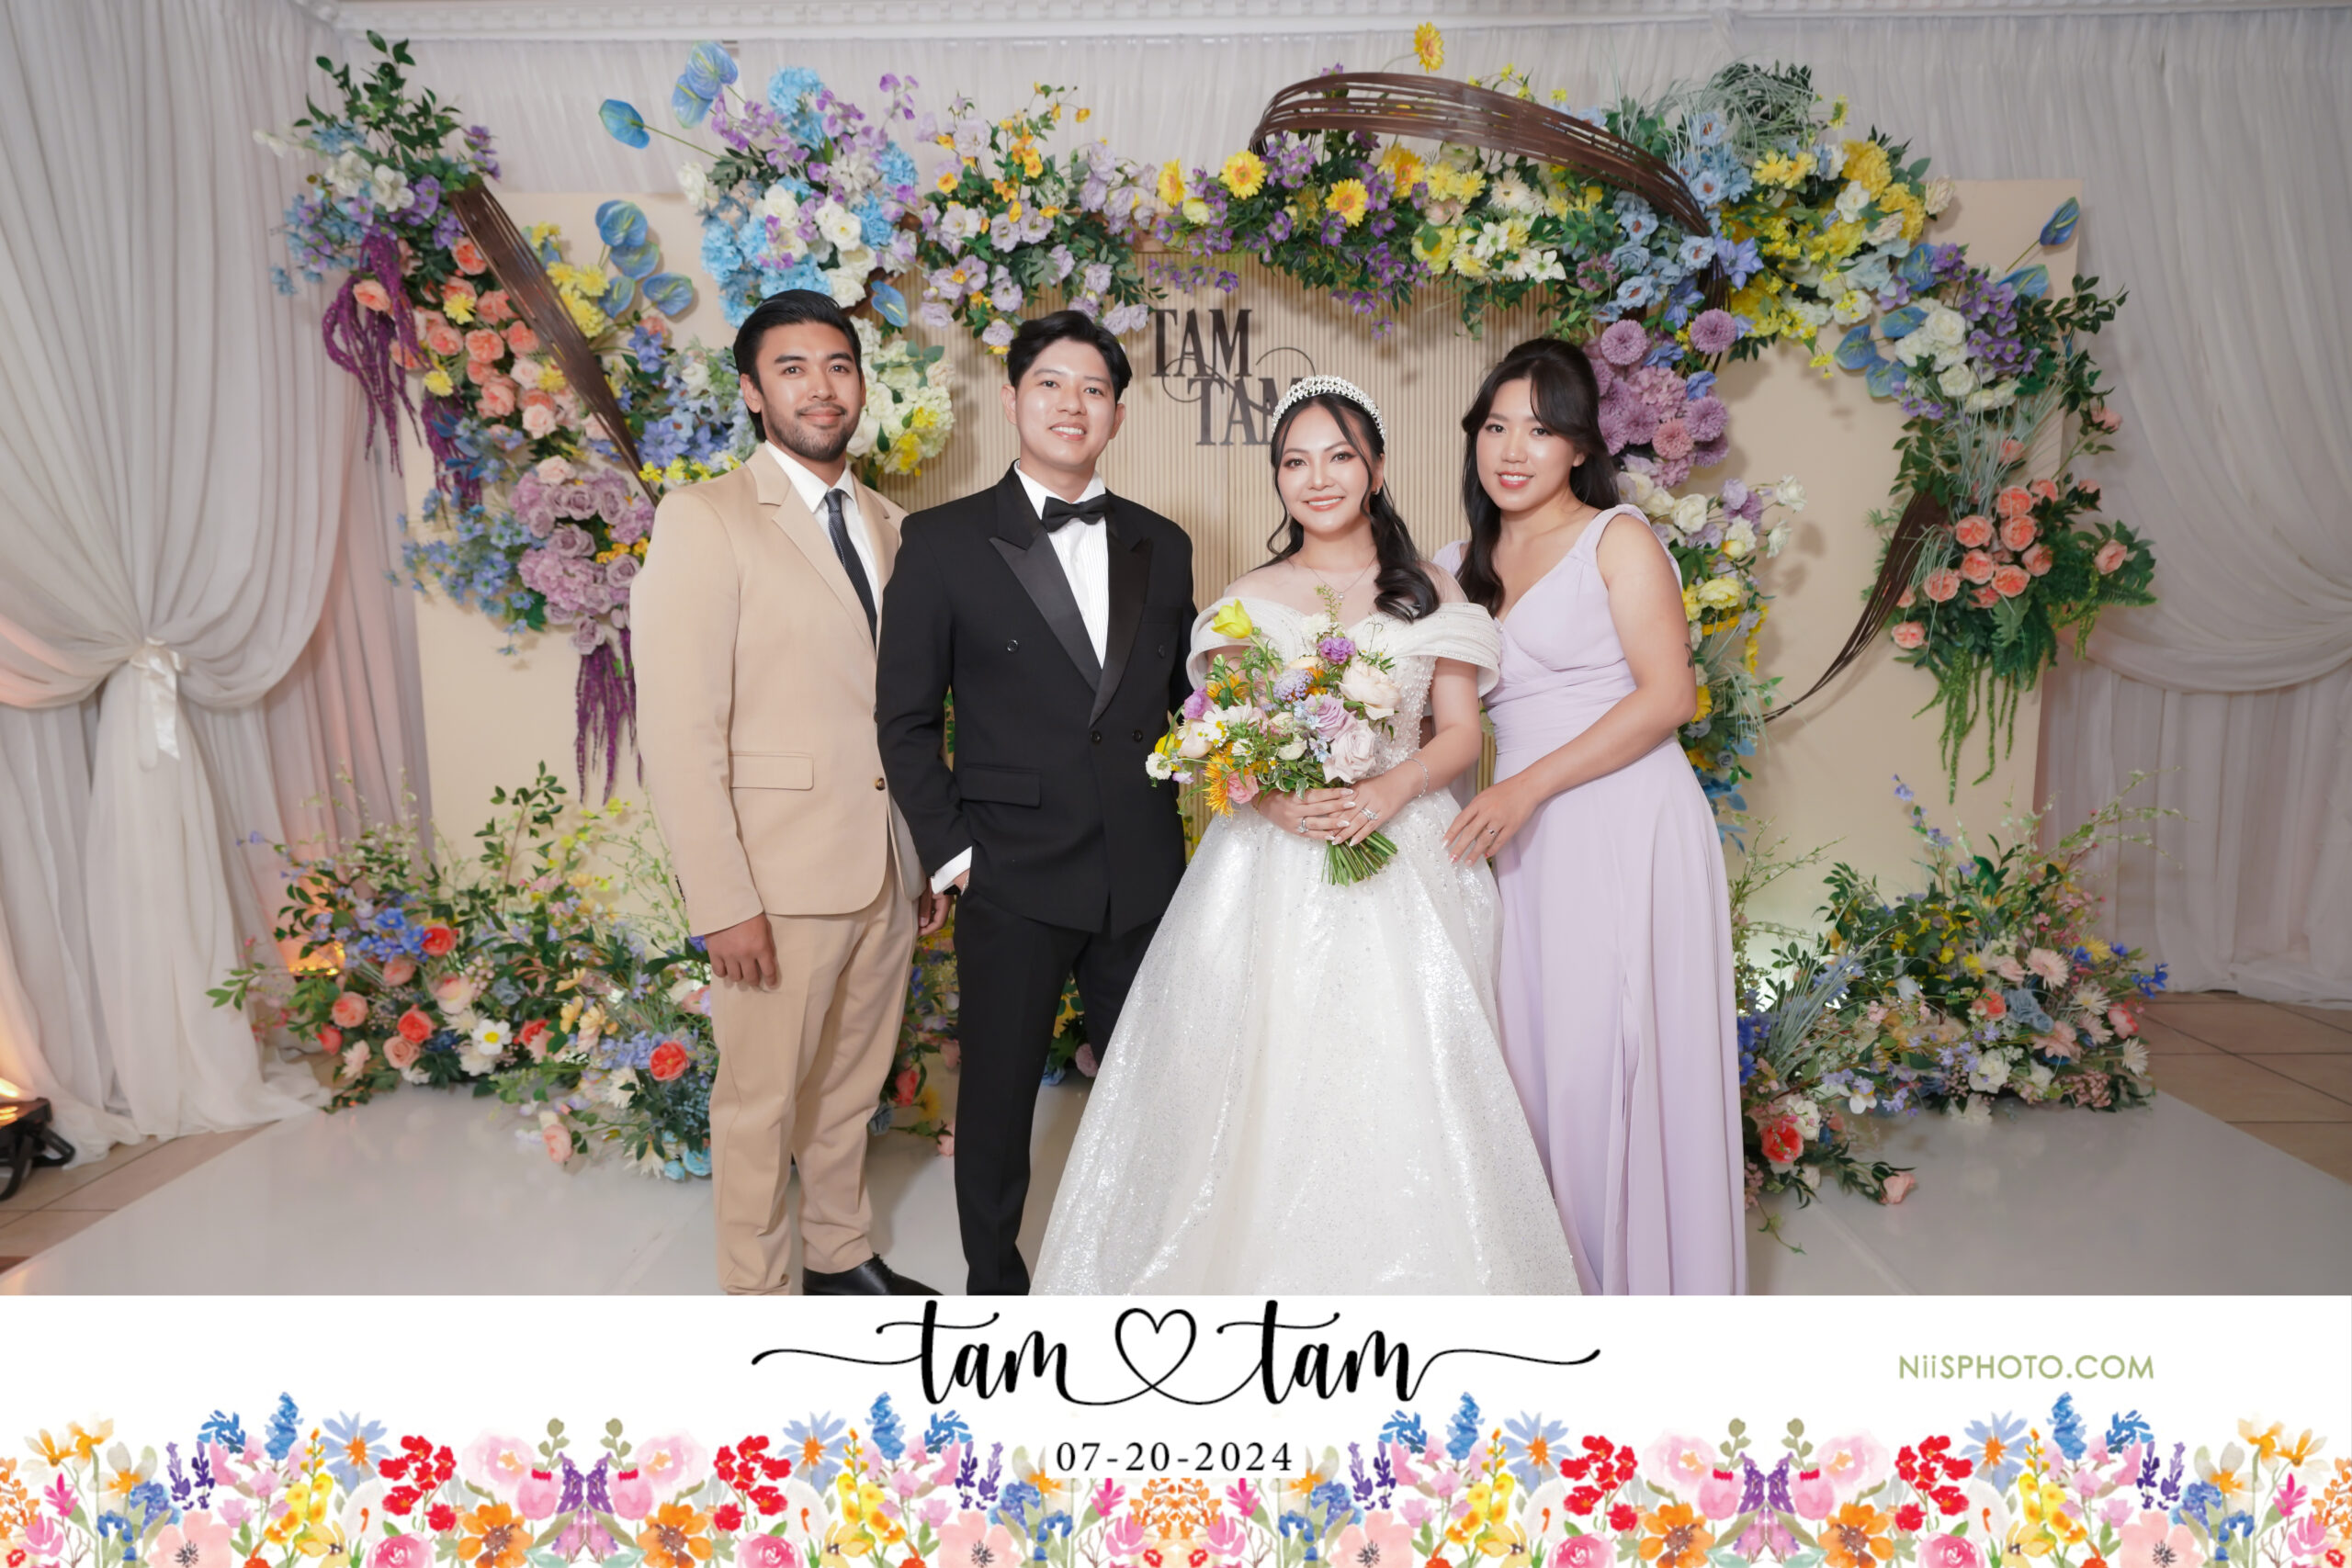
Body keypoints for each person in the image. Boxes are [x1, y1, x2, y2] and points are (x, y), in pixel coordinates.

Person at [1031, 376, 1581, 1295]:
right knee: (1266, 1072)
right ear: (1278, 477)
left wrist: (1389, 788)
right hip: (1272, 864)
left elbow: (1458, 733)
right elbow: (1228, 736)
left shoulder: (1431, 591)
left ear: (1376, 469)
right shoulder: (1248, 599)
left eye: (1338, 457)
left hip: (1404, 850)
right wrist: (1277, 804)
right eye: (1295, 461)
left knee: (1407, 1071)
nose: (1317, 478)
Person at [876, 310, 1197, 1296]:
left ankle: (1143, 1273)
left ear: (1118, 414)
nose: (1072, 404)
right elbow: (904, 718)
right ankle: (994, 1282)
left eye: (1093, 389)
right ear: (1013, 399)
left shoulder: (1163, 543)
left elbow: (1185, 704)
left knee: (1152, 1089)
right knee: (999, 1094)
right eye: (1051, 384)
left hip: (1140, 867)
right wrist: (956, 856)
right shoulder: (942, 541)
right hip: (1009, 867)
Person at [632, 289, 941, 1297]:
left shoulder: (896, 525)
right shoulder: (705, 518)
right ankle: (758, 1299)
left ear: (861, 384)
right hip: (774, 877)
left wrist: (922, 851)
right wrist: (722, 899)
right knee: (759, 1105)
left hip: (884, 864)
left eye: (839, 366)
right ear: (753, 393)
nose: (821, 387)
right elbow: (678, 730)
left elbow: (908, 712)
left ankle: (838, 1254)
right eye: (793, 368)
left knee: (850, 1090)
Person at [1435, 337, 1746, 1296]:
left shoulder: (1618, 538)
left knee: (1616, 1055)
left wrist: (1524, 788)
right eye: (1496, 427)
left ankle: (1642, 1289)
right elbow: (1437, 724)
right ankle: (1553, 1290)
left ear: (1579, 445)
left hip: (1624, 818)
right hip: (1520, 840)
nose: (1512, 450)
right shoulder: (1453, 567)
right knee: (1538, 1065)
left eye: (1540, 429)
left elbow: (1669, 697)